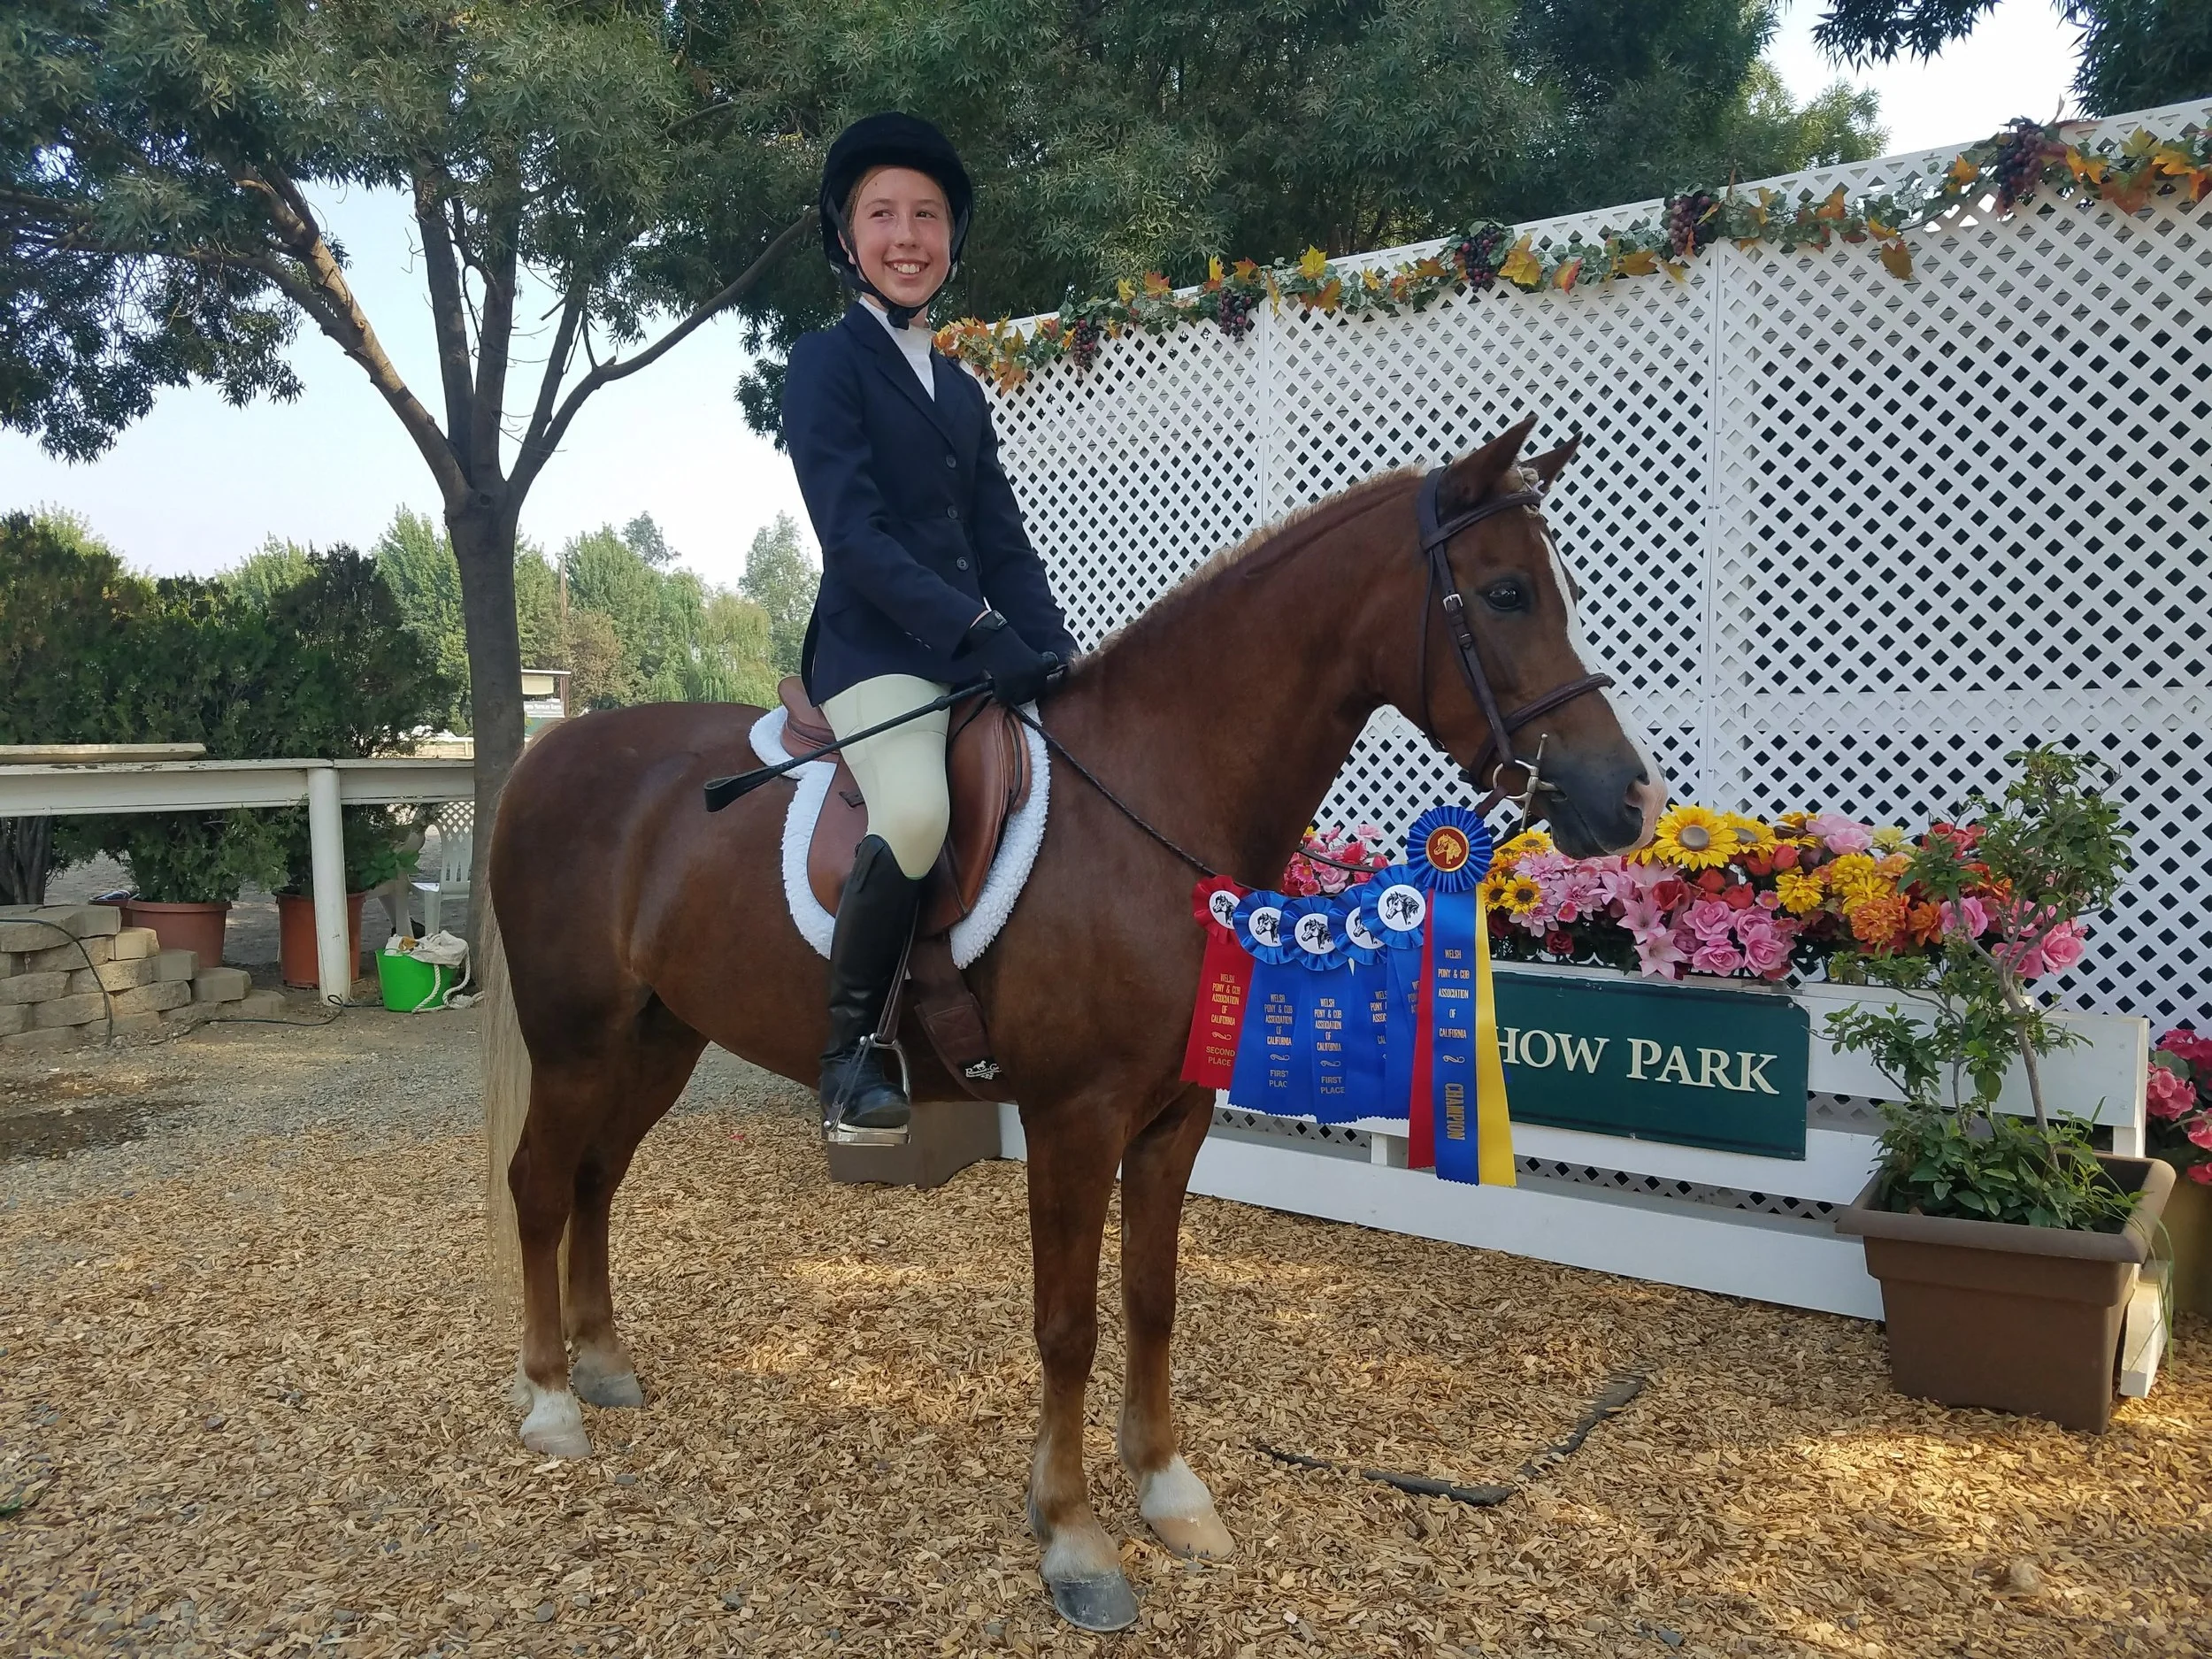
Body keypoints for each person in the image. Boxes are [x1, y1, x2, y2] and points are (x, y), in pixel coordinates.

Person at [782, 111, 1079, 1136]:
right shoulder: (824, 363)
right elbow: (853, 535)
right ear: (845, 235)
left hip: (965, 647)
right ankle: (852, 1054)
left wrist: (1045, 639)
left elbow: (1001, 538)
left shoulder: (958, 388)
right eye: (882, 215)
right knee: (912, 813)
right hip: (876, 654)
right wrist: (971, 631)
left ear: (952, 240)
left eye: (928, 216)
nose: (907, 236)